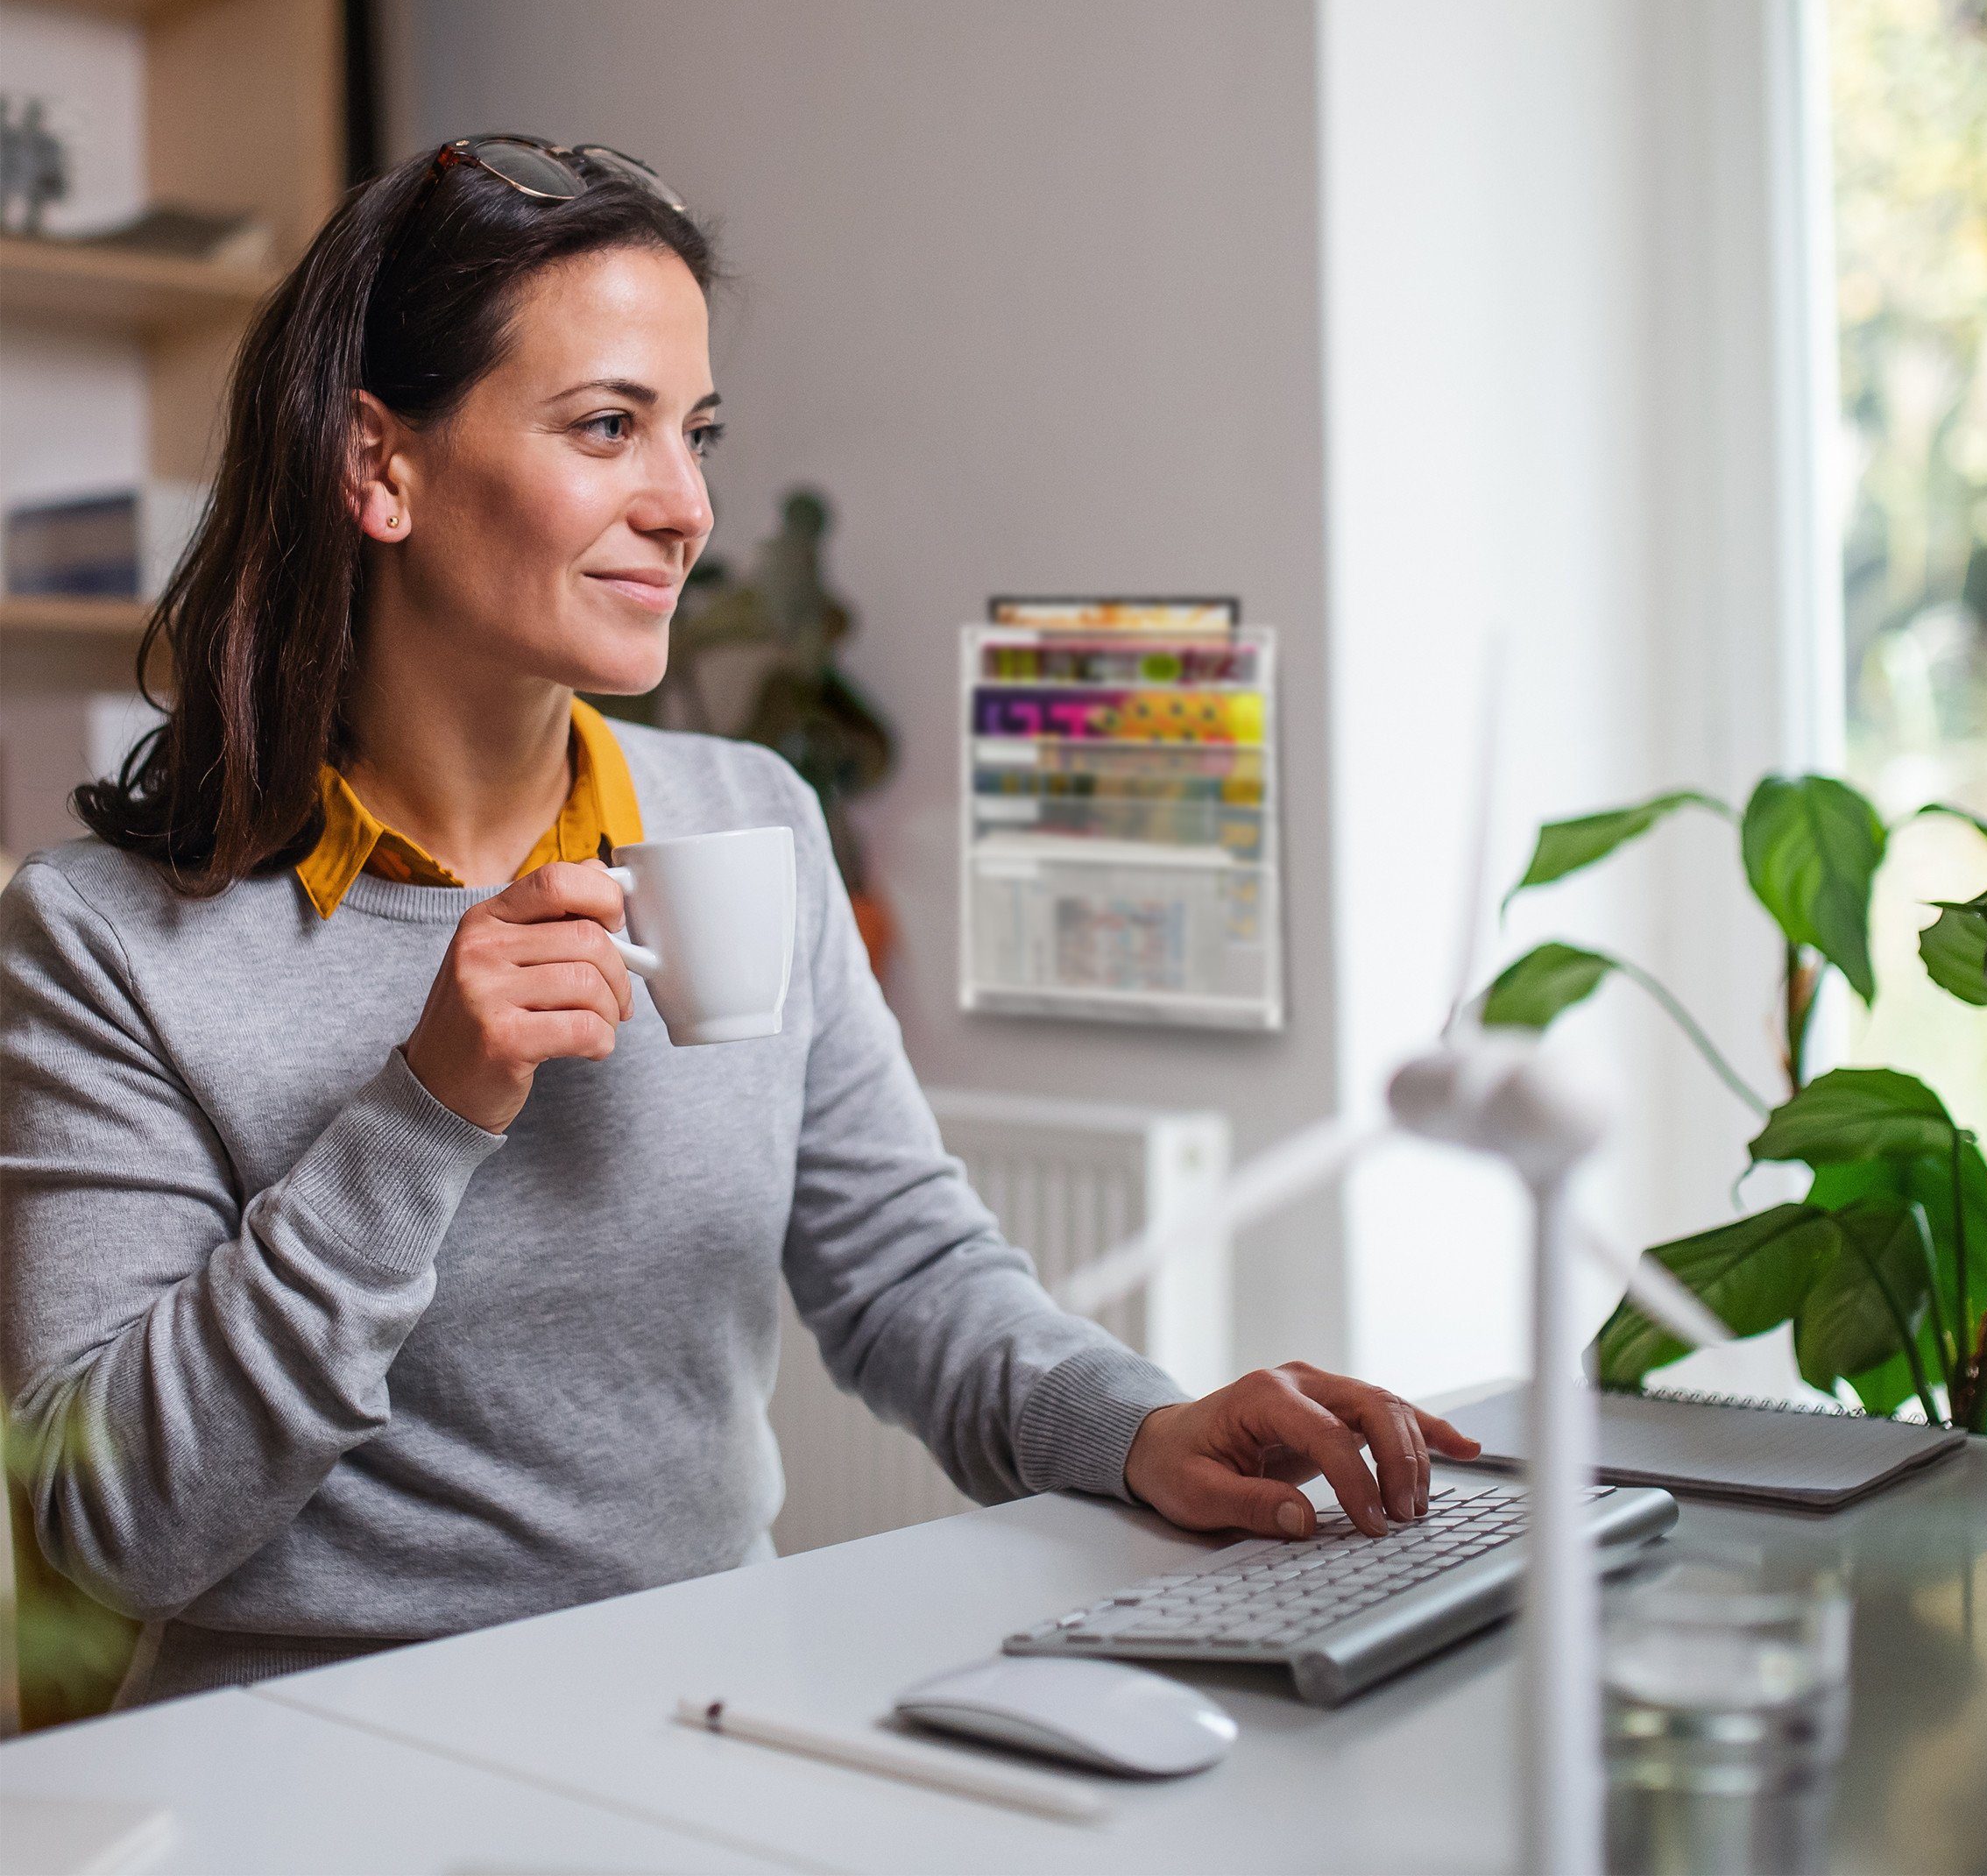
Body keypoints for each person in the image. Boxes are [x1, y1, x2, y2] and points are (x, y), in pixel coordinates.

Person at [0, 138, 1474, 1705]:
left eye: (695, 434)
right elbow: (109, 1529)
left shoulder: (744, 817)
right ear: (381, 468)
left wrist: (1139, 1429)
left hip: (705, 1705)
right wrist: (420, 1111)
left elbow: (908, 1273)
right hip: (312, 1752)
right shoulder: (100, 945)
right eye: (608, 428)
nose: (687, 505)